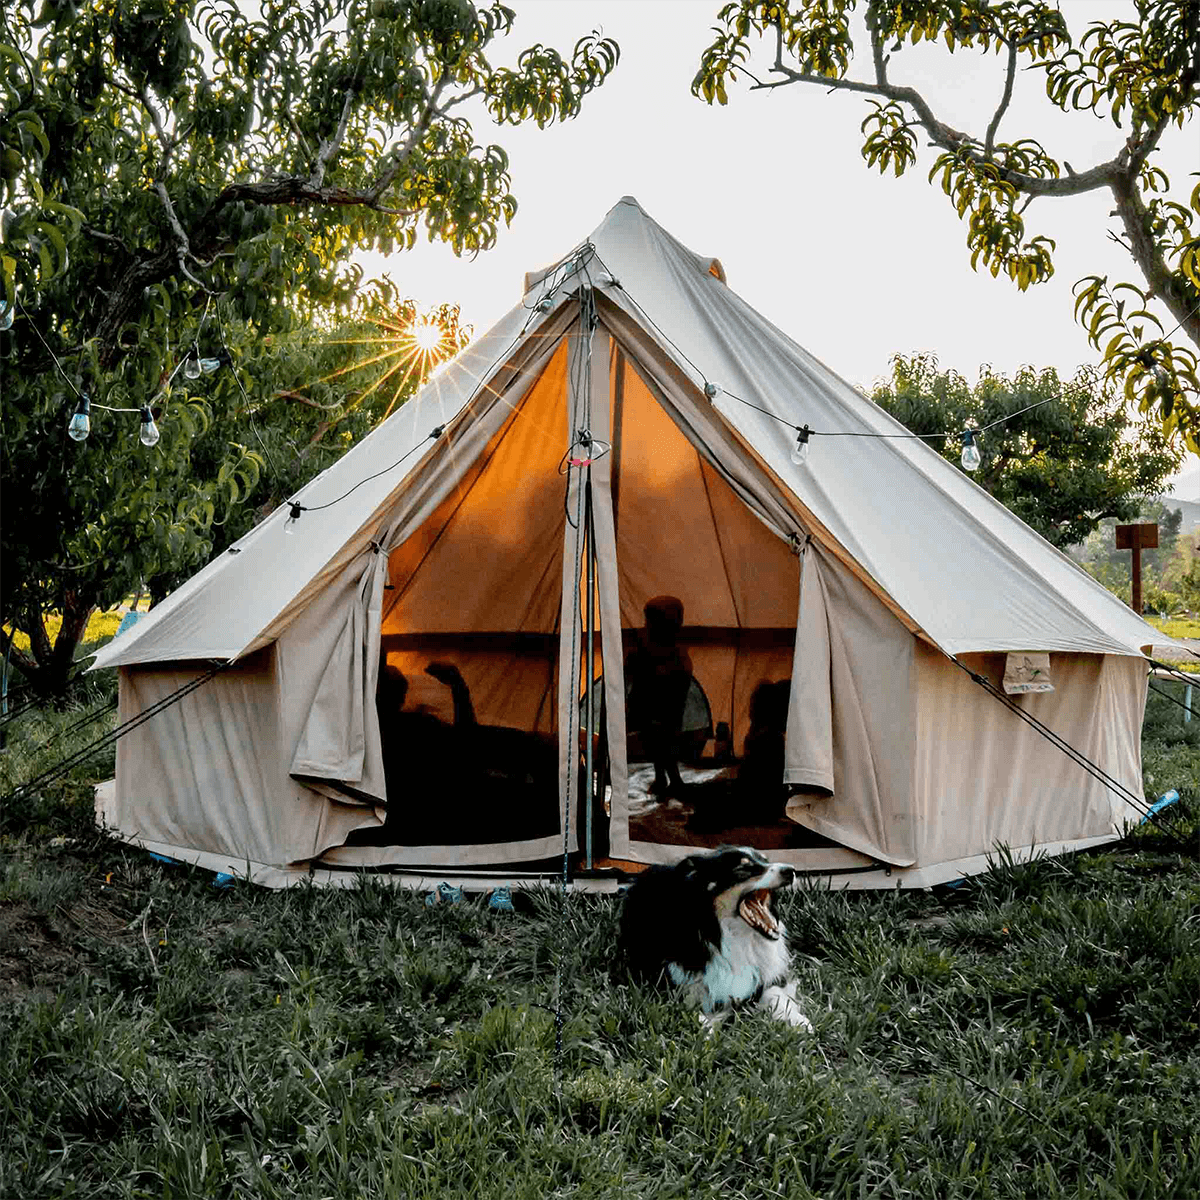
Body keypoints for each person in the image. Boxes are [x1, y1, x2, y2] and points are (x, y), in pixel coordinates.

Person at [625, 595, 693, 798]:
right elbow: (634, 669)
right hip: (650, 704)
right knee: (654, 740)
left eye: (652, 620)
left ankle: (673, 780)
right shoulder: (650, 645)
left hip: (666, 706)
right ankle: (663, 777)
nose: (647, 625)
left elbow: (671, 678)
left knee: (664, 739)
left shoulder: (675, 652)